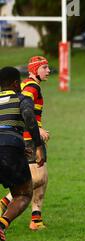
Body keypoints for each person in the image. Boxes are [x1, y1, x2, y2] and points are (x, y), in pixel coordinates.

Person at [0, 56, 51, 231]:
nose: (48, 71)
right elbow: (26, 112)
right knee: (36, 179)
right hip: (24, 139)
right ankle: (6, 202)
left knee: (42, 178)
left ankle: (36, 219)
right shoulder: (30, 88)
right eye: (44, 67)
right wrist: (38, 133)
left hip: (19, 139)